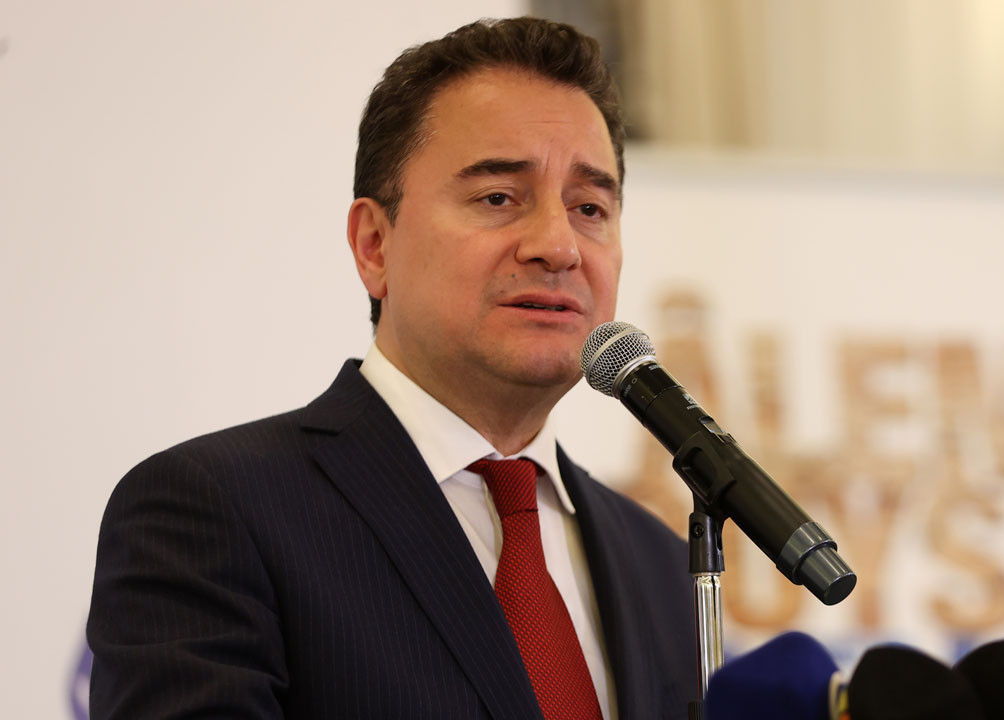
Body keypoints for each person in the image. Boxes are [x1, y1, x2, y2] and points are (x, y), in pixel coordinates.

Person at [87, 17, 697, 720]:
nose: (558, 247)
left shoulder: (660, 565)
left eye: (589, 208)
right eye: (498, 198)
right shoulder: (213, 513)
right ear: (375, 244)